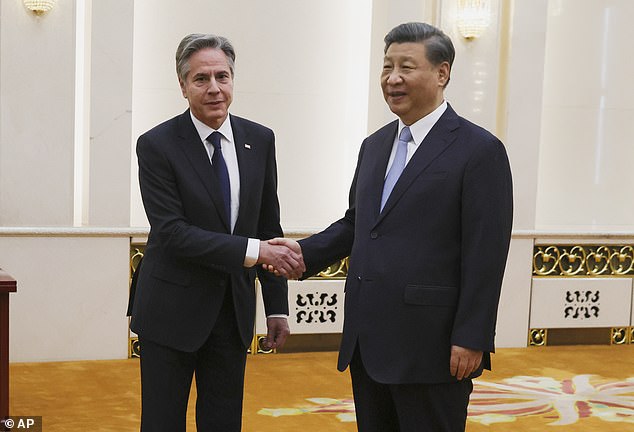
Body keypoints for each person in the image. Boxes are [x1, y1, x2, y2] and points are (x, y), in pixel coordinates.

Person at [269, 22, 513, 431]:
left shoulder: (480, 150)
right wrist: (303, 253)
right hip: (369, 340)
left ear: (442, 73)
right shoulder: (375, 145)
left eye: (406, 67)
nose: (392, 78)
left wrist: (472, 336)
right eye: (386, 67)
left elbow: (485, 253)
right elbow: (359, 224)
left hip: (433, 348)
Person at [129, 33, 304, 432]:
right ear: (182, 86)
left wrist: (276, 307)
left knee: (224, 422)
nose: (214, 88)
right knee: (162, 421)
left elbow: (268, 227)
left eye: (222, 76)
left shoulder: (259, 139)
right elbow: (173, 233)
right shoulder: (156, 145)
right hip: (170, 312)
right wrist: (256, 252)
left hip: (232, 312)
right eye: (201, 79)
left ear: (233, 80)